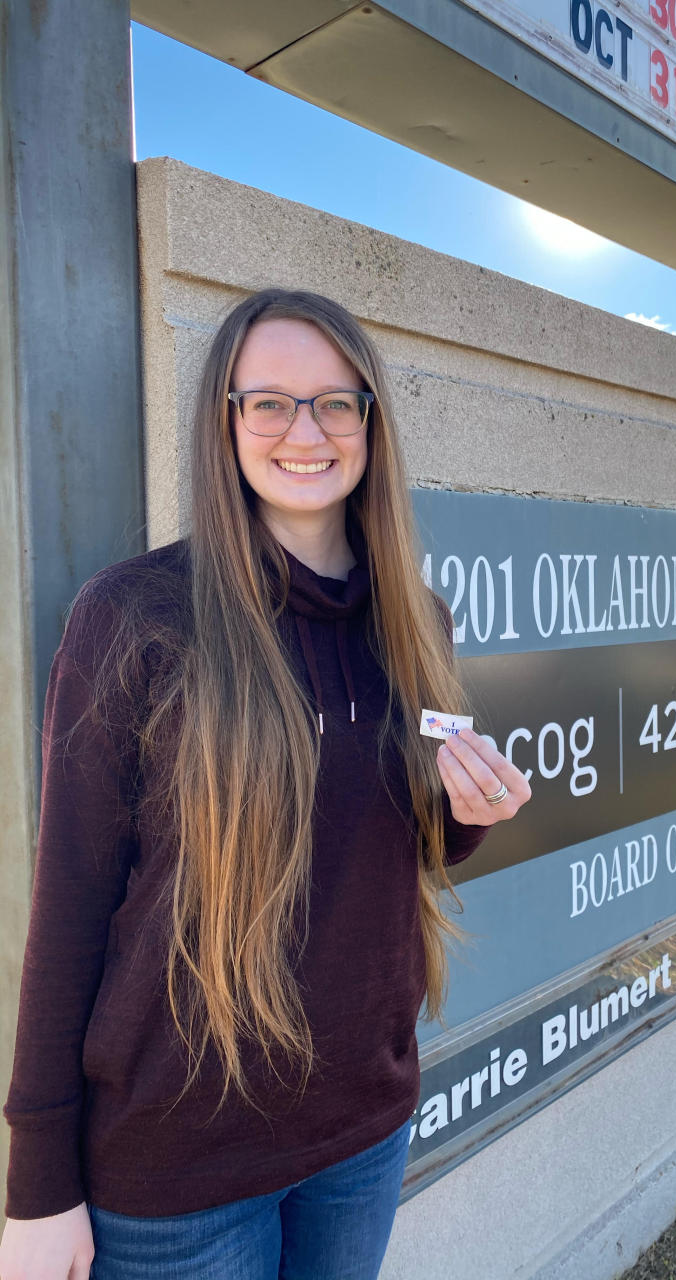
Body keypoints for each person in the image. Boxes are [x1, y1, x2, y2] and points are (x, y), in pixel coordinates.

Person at [0, 289, 530, 1280]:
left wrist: (467, 816)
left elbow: (397, 838)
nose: (307, 430)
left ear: (370, 423)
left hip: (361, 1131)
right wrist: (37, 1183)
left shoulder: (417, 617)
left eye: (337, 402)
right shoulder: (135, 615)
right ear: (224, 420)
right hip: (176, 1166)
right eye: (269, 402)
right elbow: (70, 909)